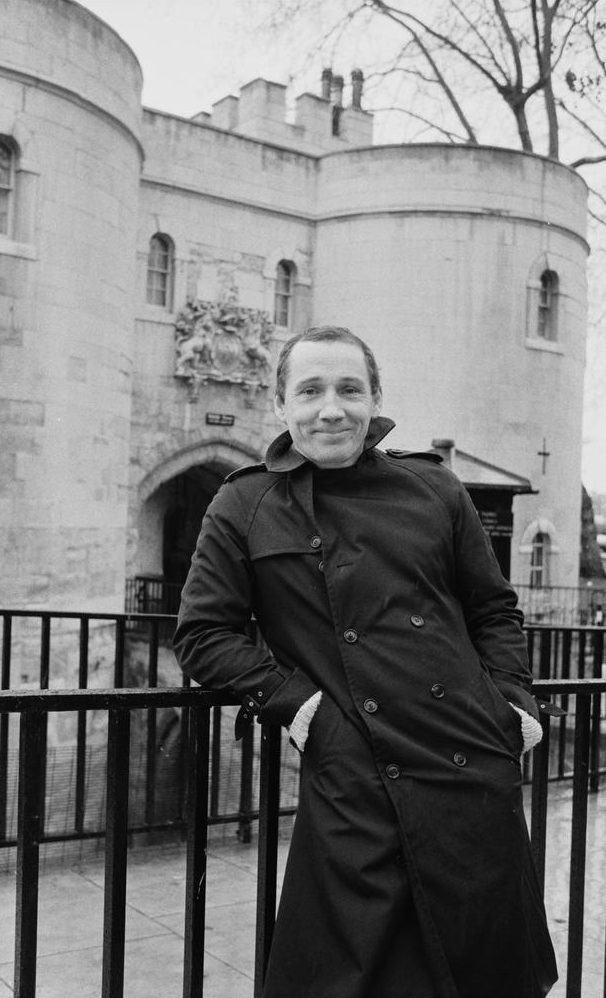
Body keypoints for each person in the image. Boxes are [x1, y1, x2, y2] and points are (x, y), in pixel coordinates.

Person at [173, 326, 558, 998]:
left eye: (350, 389)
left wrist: (515, 710)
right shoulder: (244, 502)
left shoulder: (434, 490)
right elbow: (204, 633)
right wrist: (306, 713)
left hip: (469, 768)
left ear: (375, 398)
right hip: (354, 775)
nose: (332, 408)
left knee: (485, 978)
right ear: (280, 406)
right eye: (311, 390)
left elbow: (493, 611)